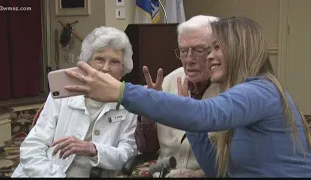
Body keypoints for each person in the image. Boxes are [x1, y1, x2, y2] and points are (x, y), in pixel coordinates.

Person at [64, 17, 311, 177]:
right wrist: (191, 124)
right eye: (210, 48)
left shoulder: (260, 91)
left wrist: (121, 91)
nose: (210, 56)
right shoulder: (249, 92)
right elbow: (217, 171)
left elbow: (205, 115)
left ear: (239, 49)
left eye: (216, 48)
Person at [11, 26, 138, 178]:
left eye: (115, 62)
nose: (105, 68)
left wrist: (93, 149)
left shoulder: (128, 103)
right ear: (87, 63)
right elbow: (31, 147)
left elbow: (127, 154)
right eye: (99, 59)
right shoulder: (63, 95)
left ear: (123, 70)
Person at [135, 15, 220, 177]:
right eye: (183, 51)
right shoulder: (168, 81)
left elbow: (237, 162)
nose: (188, 59)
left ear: (217, 50)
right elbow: (147, 149)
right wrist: (148, 114)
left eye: (198, 50)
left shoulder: (230, 90)